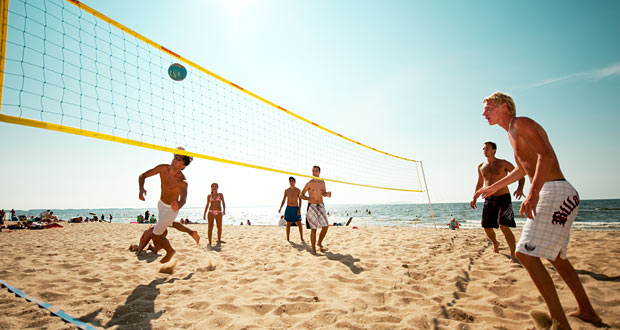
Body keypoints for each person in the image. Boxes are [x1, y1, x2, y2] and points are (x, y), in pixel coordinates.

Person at [474, 92, 601, 329]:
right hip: (555, 191)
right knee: (557, 257)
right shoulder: (512, 134)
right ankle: (587, 311)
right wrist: (493, 189)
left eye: (488, 108)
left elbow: (546, 155)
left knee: (525, 255)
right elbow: (522, 170)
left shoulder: (520, 123)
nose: (484, 113)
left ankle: (559, 323)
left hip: (555, 191)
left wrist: (532, 194)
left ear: (504, 107)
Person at [138, 147, 200, 263]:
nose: (175, 160)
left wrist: (178, 205)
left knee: (156, 235)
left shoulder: (182, 182)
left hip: (171, 210)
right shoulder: (162, 168)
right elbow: (142, 176)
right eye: (175, 157)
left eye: (179, 159)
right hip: (161, 204)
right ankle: (191, 232)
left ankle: (170, 251)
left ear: (183, 166)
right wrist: (141, 189)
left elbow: (184, 199)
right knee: (172, 224)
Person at [470, 141, 524, 262]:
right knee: (487, 227)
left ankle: (513, 254)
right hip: (488, 199)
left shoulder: (503, 163)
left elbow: (520, 175)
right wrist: (474, 197)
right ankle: (495, 243)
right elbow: (480, 183)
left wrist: (520, 188)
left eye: (488, 148)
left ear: (494, 150)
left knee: (504, 226)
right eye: (483, 148)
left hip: (503, 197)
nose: (485, 150)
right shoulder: (481, 166)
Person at [301, 165, 332, 253]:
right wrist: (307, 198)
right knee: (313, 229)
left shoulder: (322, 182)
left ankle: (319, 243)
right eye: (313, 171)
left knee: (325, 226)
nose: (314, 172)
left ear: (319, 172)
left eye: (316, 171)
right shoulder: (309, 183)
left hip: (321, 205)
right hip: (312, 206)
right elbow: (301, 195)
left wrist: (328, 194)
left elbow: (323, 193)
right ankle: (314, 249)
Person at [278, 176, 304, 241]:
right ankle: (288, 238)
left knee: (299, 223)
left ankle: (301, 237)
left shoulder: (298, 190)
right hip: (289, 208)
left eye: (292, 181)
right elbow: (283, 200)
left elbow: (300, 200)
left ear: (295, 182)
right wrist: (280, 208)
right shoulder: (286, 191)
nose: (291, 182)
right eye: (290, 181)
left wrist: (299, 209)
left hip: (296, 208)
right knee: (288, 224)